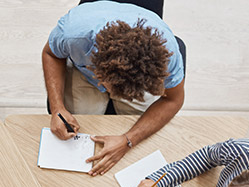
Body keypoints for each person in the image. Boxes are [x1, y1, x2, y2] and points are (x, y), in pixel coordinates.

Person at [42, 0, 185, 176]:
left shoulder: (167, 54)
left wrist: (128, 140)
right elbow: (50, 53)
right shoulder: (74, 34)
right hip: (85, 71)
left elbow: (173, 99)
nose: (108, 93)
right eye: (106, 84)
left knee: (145, 139)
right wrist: (57, 108)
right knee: (79, 125)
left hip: (130, 80)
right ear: (98, 65)